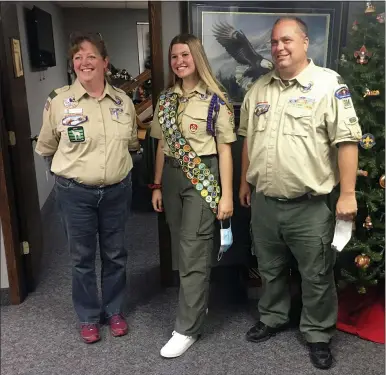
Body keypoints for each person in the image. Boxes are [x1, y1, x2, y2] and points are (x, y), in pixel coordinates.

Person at [238, 17, 361, 369]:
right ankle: (274, 316)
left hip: (309, 206)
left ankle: (318, 333)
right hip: (265, 203)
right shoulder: (258, 89)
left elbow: (347, 141)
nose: (279, 47)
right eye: (275, 42)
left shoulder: (329, 85)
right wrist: (244, 182)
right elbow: (249, 139)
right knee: (270, 268)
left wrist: (348, 194)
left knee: (316, 274)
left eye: (287, 40)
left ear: (305, 43)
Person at [35, 33, 139, 344]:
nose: (84, 62)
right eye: (78, 58)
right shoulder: (58, 101)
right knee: (81, 258)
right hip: (74, 193)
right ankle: (88, 316)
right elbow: (47, 147)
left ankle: (115, 310)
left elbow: (132, 144)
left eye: (91, 56)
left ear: (105, 62)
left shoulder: (124, 102)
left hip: (117, 190)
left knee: (115, 254)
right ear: (73, 64)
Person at [150, 33, 236, 358]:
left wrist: (226, 196)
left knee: (194, 248)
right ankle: (197, 308)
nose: (179, 61)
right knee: (181, 246)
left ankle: (187, 327)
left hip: (202, 177)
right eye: (174, 56)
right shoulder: (166, 99)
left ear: (197, 57)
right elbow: (161, 144)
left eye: (185, 55)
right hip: (171, 178)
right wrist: (157, 184)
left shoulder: (216, 100)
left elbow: (225, 151)